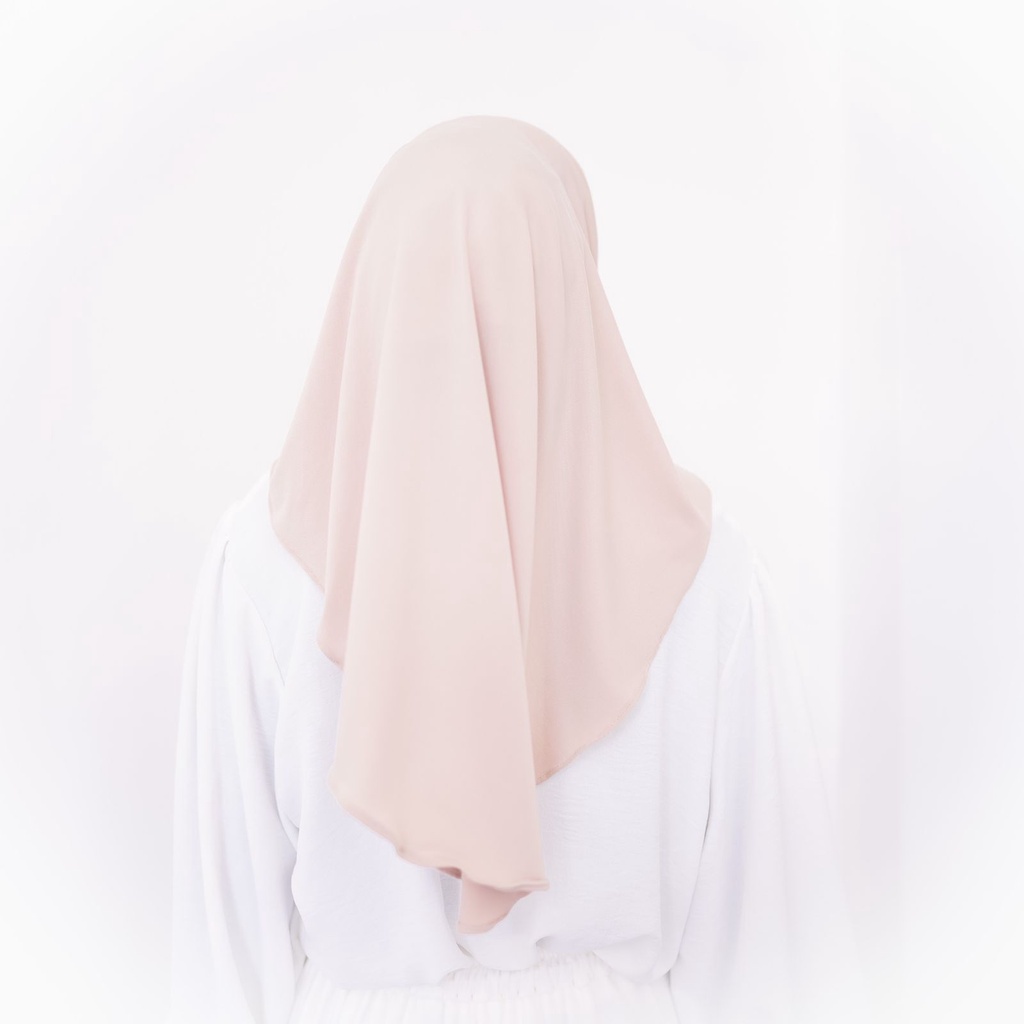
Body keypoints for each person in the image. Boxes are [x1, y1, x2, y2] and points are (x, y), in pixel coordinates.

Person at [168, 115, 869, 1023]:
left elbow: (221, 956)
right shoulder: (704, 573)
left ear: (372, 293)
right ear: (577, 295)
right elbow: (776, 964)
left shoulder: (261, 566)